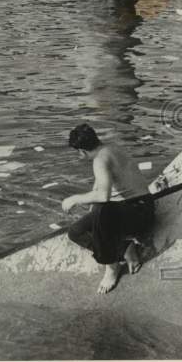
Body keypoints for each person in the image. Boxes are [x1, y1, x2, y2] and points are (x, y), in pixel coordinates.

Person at [63, 123, 154, 294]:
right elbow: (99, 189)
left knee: (100, 211)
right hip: (143, 208)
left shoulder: (99, 160)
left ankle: (111, 267)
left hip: (139, 214)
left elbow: (103, 196)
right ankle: (124, 249)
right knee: (76, 231)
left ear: (81, 151)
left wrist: (75, 199)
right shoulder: (111, 148)